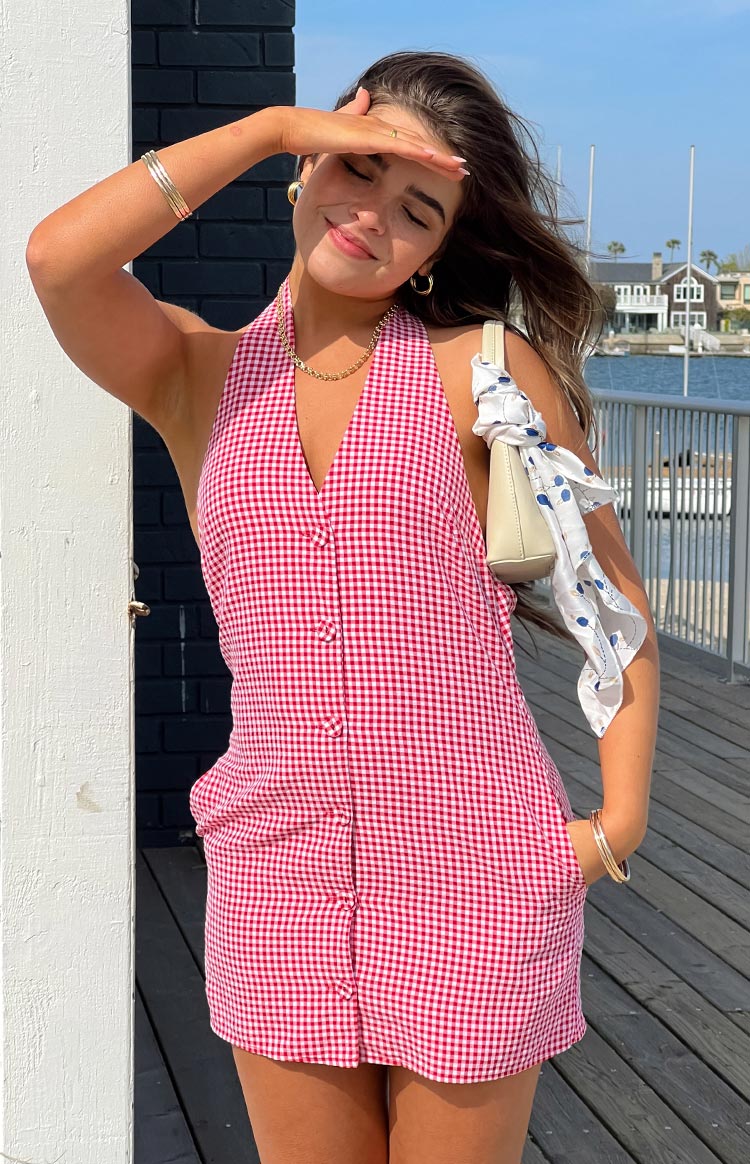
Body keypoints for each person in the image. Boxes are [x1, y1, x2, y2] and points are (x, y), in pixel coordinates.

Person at [27, 49, 659, 1164]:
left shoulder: (487, 371)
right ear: (307, 165)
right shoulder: (197, 375)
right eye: (354, 167)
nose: (372, 215)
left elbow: (612, 599)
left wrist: (617, 823)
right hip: (277, 871)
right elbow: (59, 260)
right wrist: (269, 126)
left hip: (475, 870)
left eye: (417, 209)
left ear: (438, 252)